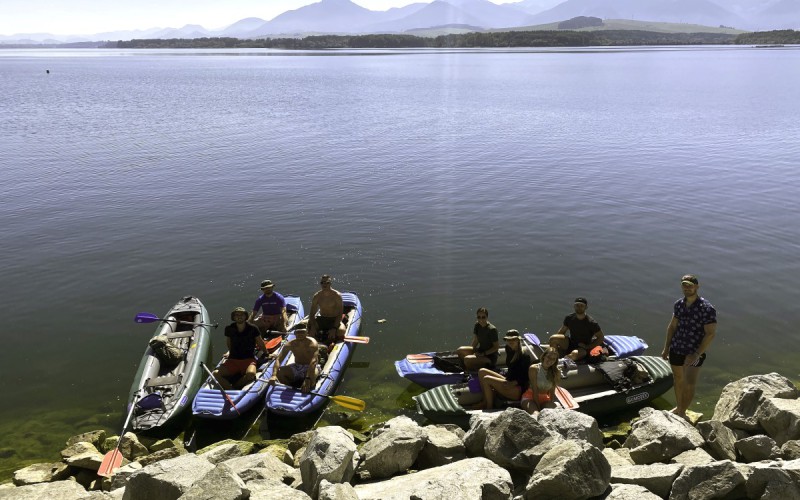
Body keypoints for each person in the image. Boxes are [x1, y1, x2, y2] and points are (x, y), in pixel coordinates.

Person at [661, 274, 717, 420]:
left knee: (689, 382)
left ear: (697, 287)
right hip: (677, 347)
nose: (687, 288)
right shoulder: (679, 304)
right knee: (678, 378)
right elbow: (672, 326)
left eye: (690, 285)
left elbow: (710, 334)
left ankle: (683, 411)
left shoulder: (706, 308)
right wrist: (666, 347)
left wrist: (697, 353)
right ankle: (679, 408)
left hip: (695, 351)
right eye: (684, 285)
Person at [212, 307, 268, 390]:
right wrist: (230, 353)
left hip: (248, 359)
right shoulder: (229, 328)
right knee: (216, 374)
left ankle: (236, 386)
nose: (239, 316)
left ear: (245, 316)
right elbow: (229, 342)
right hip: (233, 360)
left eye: (241, 315)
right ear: (234, 317)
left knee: (251, 374)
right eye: (237, 315)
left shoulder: (253, 328)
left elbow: (260, 342)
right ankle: (230, 389)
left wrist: (267, 353)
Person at [476, 330, 532, 409]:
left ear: (518, 340)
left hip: (518, 389)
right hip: (508, 380)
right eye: (508, 340)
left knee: (486, 379)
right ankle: (485, 401)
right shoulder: (508, 350)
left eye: (513, 339)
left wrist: (513, 383)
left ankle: (489, 407)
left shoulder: (524, 356)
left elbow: (526, 377)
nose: (510, 341)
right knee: (482, 371)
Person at [548, 297, 605, 362]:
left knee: (575, 354)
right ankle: (552, 356)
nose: (579, 307)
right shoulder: (569, 318)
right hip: (570, 342)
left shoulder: (591, 323)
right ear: (574, 306)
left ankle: (560, 361)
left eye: (581, 305)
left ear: (586, 307)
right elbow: (561, 332)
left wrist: (588, 346)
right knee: (553, 338)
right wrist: (557, 344)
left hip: (582, 348)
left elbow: (601, 337)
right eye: (577, 305)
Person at [270, 322, 319, 394]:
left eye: (302, 332)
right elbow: (278, 359)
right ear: (295, 333)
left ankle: (308, 387)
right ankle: (290, 388)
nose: (300, 334)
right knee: (279, 372)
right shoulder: (290, 344)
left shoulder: (312, 343)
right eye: (298, 332)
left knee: (311, 380)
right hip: (297, 366)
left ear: (307, 332)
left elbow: (313, 362)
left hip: (310, 367)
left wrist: (307, 378)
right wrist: (273, 375)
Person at [521, 346, 561, 416]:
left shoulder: (556, 372)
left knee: (557, 413)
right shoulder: (534, 368)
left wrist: (550, 403)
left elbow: (552, 392)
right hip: (530, 397)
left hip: (545, 399)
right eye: (548, 357)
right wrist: (539, 408)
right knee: (536, 414)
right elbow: (535, 390)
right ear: (544, 356)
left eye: (553, 359)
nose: (550, 360)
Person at [308, 274, 345, 342]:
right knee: (308, 327)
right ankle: (315, 342)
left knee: (341, 331)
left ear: (330, 283)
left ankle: (334, 342)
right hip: (322, 319)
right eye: (322, 283)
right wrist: (313, 327)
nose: (324, 284)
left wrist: (334, 328)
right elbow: (312, 313)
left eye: (327, 282)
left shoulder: (337, 296)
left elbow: (340, 313)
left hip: (334, 319)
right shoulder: (317, 296)